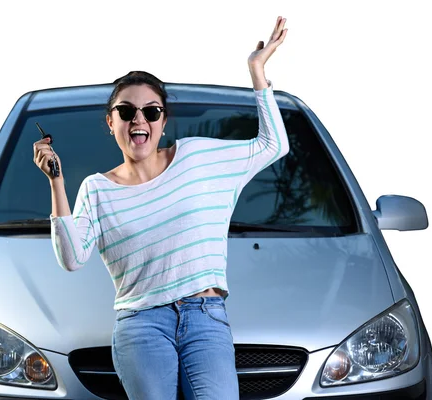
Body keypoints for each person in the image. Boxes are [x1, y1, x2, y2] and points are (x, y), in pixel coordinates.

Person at [33, 16, 289, 400]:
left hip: (206, 316)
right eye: (126, 111)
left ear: (163, 121)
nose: (139, 119)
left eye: (151, 112)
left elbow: (272, 146)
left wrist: (256, 70)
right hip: (141, 325)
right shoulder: (98, 190)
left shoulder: (197, 158)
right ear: (111, 122)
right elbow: (72, 258)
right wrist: (57, 182)